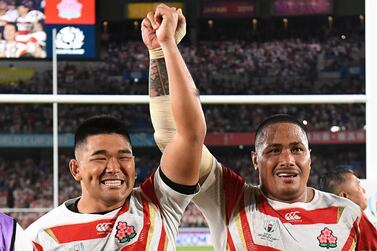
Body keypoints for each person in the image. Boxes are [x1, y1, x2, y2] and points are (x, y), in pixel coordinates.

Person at [145, 13, 377, 250]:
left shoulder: (349, 215)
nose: (288, 160)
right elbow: (176, 137)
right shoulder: (231, 200)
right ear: (255, 160)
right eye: (274, 150)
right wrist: (161, 51)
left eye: (297, 149)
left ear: (310, 158)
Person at [25, 4, 206, 250]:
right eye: (100, 158)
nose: (114, 168)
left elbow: (190, 134)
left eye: (124, 157)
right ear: (76, 169)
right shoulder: (41, 236)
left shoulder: (160, 204)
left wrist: (163, 49)